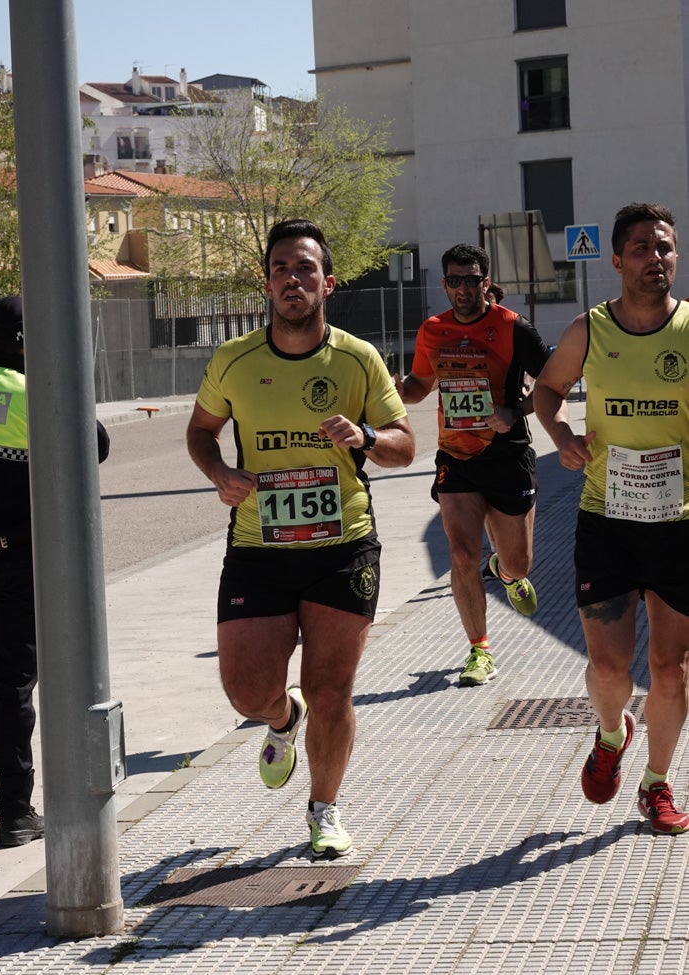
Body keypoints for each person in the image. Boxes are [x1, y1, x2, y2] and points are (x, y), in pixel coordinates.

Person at [187, 218, 414, 858]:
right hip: (260, 547)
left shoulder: (357, 359)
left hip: (343, 544)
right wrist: (219, 472)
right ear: (266, 284)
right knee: (246, 690)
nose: (294, 278)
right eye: (282, 268)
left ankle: (324, 810)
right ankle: (282, 720)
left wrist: (365, 437)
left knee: (331, 688)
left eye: (306, 268)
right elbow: (200, 432)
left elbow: (404, 444)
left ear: (328, 283)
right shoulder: (233, 360)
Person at [534, 201, 689, 835]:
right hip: (608, 518)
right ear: (619, 260)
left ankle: (656, 782)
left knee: (671, 669)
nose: (659, 258)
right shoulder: (588, 331)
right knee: (608, 669)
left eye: (667, 247)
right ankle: (609, 731)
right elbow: (546, 391)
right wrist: (560, 432)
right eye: (645, 249)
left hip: (678, 522)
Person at [0, 295, 110, 846]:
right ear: (29, 345)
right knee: (13, 684)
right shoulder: (35, 395)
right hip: (17, 559)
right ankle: (18, 812)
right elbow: (97, 446)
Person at [395, 243, 549, 686]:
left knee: (518, 564)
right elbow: (420, 386)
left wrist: (514, 412)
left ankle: (505, 572)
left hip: (507, 455)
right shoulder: (433, 330)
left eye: (472, 279)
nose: (463, 288)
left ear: (485, 281)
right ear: (444, 284)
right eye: (455, 280)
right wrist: (392, 389)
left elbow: (555, 380)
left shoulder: (512, 327)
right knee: (461, 553)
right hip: (456, 458)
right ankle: (478, 650)